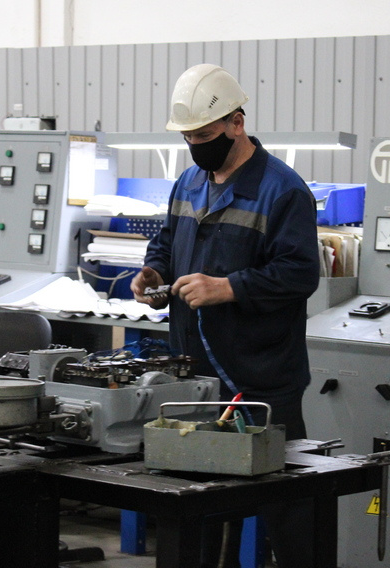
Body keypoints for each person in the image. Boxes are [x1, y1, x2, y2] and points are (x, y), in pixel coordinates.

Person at [130, 63, 320, 568]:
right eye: (188, 138)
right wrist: (153, 273)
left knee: (288, 509)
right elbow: (166, 243)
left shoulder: (284, 191)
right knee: (198, 507)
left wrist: (227, 288)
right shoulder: (189, 183)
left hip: (261, 380)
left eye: (204, 136)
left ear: (237, 123)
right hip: (196, 379)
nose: (196, 146)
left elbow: (300, 274)